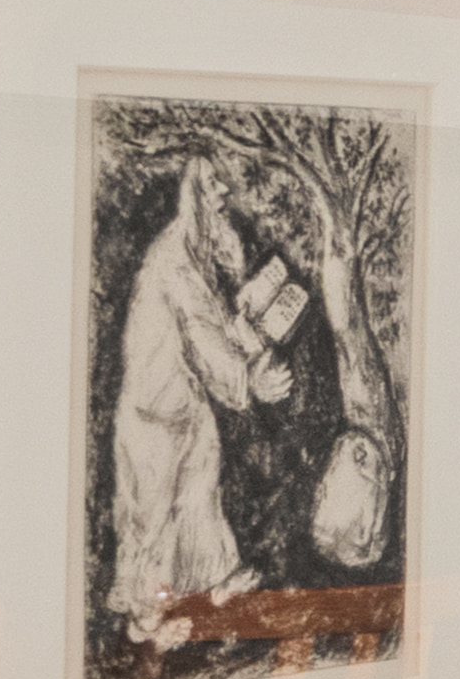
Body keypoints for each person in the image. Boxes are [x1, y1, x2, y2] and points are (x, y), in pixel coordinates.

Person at [106, 157, 311, 649]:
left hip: (184, 404)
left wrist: (253, 334)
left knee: (201, 491)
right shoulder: (174, 262)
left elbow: (214, 331)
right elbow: (205, 340)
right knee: (152, 520)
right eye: (212, 183)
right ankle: (145, 625)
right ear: (192, 196)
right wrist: (250, 382)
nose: (224, 192)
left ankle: (212, 581)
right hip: (153, 414)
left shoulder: (193, 255)